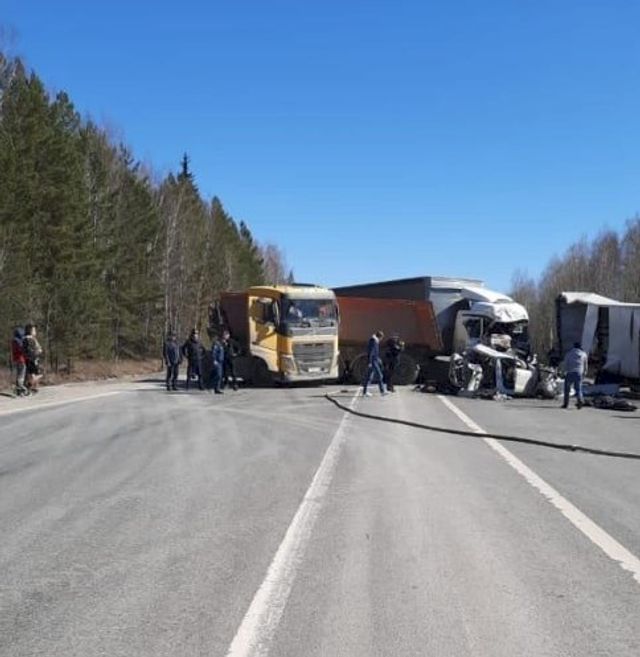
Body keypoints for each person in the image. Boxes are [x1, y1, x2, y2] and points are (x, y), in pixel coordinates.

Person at [562, 341, 588, 409]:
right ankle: (580, 401)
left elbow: (565, 364)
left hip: (570, 373)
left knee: (567, 389)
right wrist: (585, 372)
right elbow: (585, 365)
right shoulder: (584, 354)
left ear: (574, 346)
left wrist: (564, 372)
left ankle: (566, 404)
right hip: (579, 373)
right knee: (578, 389)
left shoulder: (569, 353)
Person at [362, 330, 387, 397]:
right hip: (373, 361)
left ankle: (365, 392)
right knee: (379, 375)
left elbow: (374, 353)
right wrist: (370, 362)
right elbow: (371, 353)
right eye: (382, 338)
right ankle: (382, 391)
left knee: (369, 377)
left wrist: (378, 359)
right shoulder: (373, 342)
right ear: (380, 337)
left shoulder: (374, 341)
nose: (381, 339)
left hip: (374, 360)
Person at [23, 324, 43, 394]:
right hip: (33, 359)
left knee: (32, 374)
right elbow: (32, 350)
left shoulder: (26, 338)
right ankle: (29, 386)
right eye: (34, 330)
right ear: (30, 331)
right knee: (37, 374)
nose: (35, 332)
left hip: (29, 359)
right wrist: (38, 351)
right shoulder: (30, 339)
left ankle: (31, 387)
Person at [11, 327, 29, 397]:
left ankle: (18, 391)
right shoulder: (19, 341)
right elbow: (21, 350)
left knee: (18, 375)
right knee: (21, 375)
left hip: (15, 360)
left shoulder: (14, 341)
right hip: (21, 360)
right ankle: (22, 390)